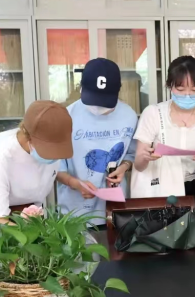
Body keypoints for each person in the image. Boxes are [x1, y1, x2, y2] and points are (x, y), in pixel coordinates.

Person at [0, 100, 73, 225]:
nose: (54, 156)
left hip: (23, 210)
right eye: (49, 150)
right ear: (28, 136)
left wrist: (73, 182)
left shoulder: (53, 141)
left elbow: (47, 170)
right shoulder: (0, 154)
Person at [56, 58, 137, 225]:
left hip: (115, 210)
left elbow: (131, 154)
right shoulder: (66, 116)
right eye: (94, 99)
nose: (99, 107)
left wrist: (124, 167)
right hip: (74, 213)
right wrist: (75, 183)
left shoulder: (129, 116)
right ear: (81, 88)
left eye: (105, 101)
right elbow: (54, 167)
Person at [132, 56, 195, 197]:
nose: (187, 95)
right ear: (170, 86)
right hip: (160, 187)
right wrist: (145, 157)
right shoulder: (153, 113)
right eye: (180, 89)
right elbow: (138, 165)